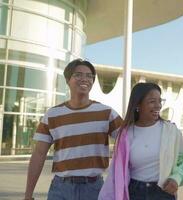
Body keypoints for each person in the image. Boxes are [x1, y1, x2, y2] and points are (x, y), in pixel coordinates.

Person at [24, 59, 123, 200]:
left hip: (94, 190)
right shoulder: (52, 115)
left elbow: (129, 141)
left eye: (89, 76)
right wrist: (28, 195)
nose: (85, 79)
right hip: (60, 189)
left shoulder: (106, 113)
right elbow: (39, 154)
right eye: (78, 74)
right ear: (68, 80)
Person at [98, 82, 183, 200]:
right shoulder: (126, 134)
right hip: (134, 192)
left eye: (159, 101)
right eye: (152, 101)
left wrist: (176, 178)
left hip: (163, 192)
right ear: (138, 105)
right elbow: (117, 171)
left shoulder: (171, 130)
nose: (158, 106)